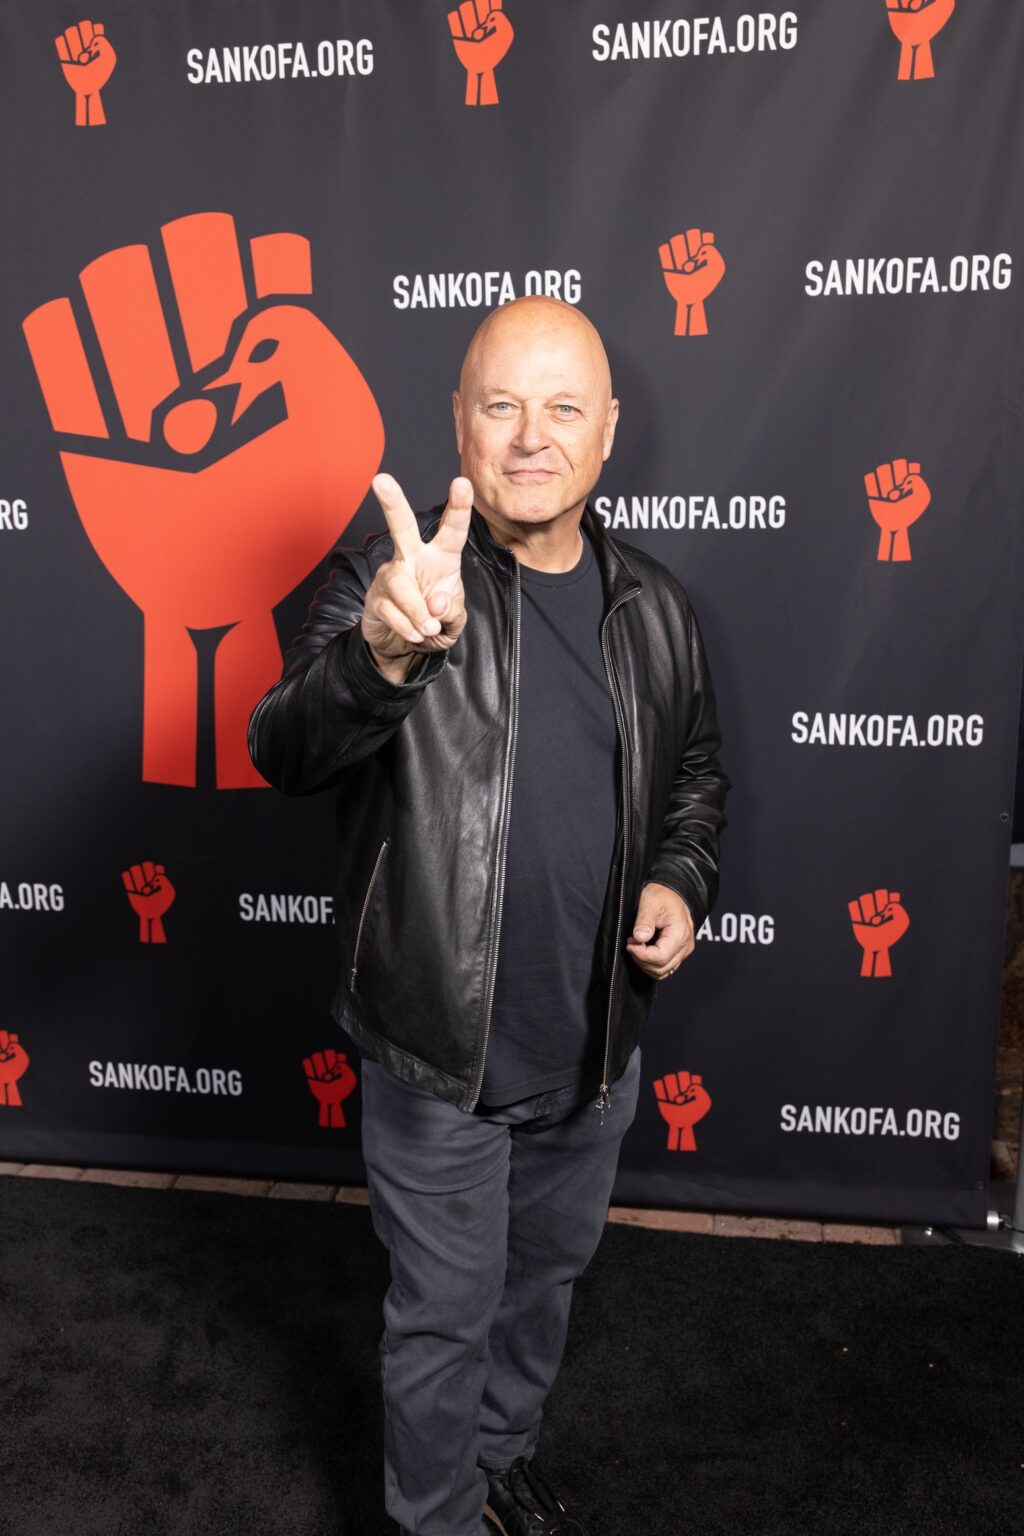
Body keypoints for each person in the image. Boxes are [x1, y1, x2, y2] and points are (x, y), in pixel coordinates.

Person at [248, 297, 728, 1536]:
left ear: (607, 429)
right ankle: (435, 1519)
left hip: (594, 1046)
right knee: (444, 1318)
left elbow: (693, 778)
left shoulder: (654, 608)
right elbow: (283, 747)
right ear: (459, 421)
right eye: (502, 405)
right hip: (436, 1054)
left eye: (562, 408)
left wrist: (678, 878)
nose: (530, 437)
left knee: (542, 1286)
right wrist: (379, 657)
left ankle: (500, 1460)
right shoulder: (393, 579)